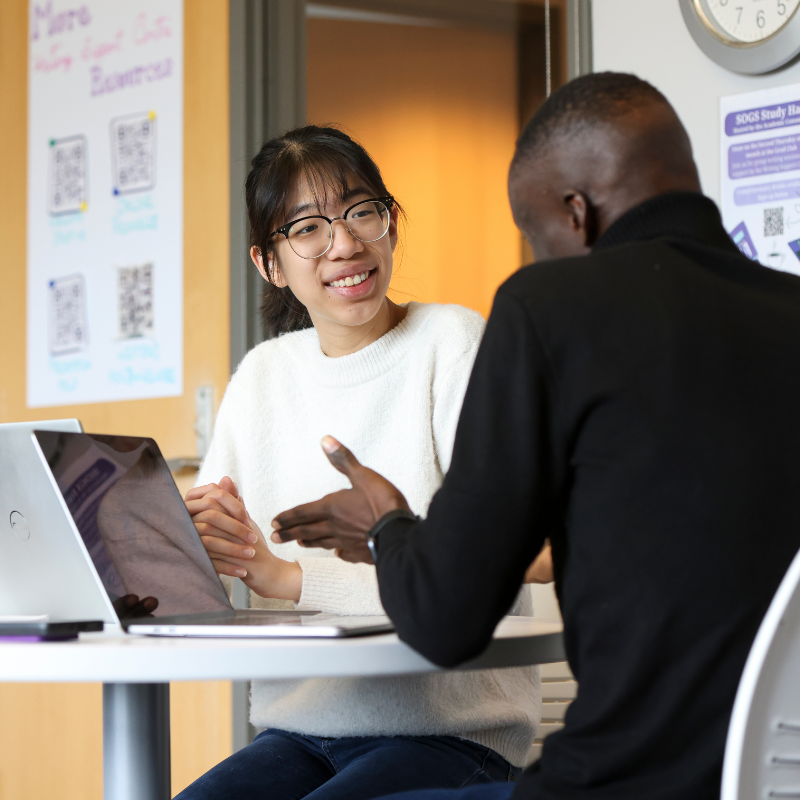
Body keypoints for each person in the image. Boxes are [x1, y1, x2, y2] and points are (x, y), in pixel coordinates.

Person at [270, 73, 800, 800]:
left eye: (537, 235)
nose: (540, 258)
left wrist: (388, 526)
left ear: (575, 213)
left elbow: (446, 622)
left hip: (621, 784)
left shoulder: (551, 309)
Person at [176, 125, 548, 800]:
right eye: (309, 228)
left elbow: (495, 565)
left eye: (360, 212)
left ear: (391, 224)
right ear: (269, 262)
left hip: (451, 731)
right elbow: (218, 577)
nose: (345, 243)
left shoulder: (453, 344)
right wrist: (194, 542)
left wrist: (285, 576)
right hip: (297, 732)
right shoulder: (263, 376)